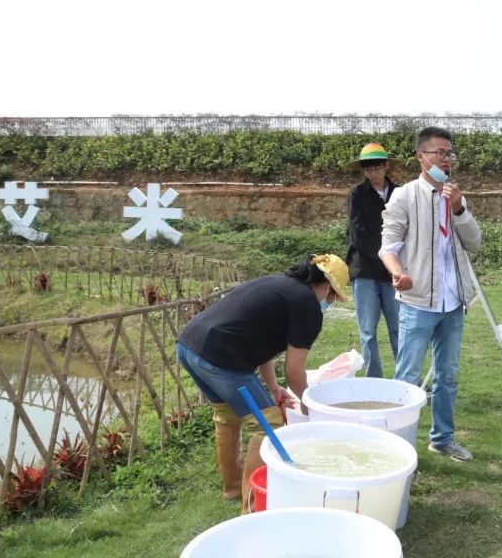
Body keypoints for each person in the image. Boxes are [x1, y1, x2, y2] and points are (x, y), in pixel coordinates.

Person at [176, 254, 350, 512]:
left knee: (226, 415)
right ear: (326, 287)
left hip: (188, 346)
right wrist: (308, 404)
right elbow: (294, 371)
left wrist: (273, 388)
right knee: (267, 424)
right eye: (334, 296)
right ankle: (253, 507)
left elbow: (263, 349)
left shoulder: (277, 285)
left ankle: (233, 489)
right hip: (221, 356)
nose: (331, 301)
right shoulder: (307, 307)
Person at [380, 126, 482, 463]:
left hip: (453, 303)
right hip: (417, 301)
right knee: (408, 378)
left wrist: (459, 210)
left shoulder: (456, 197)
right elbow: (388, 246)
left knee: (447, 376)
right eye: (439, 153)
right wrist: (398, 273)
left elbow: (475, 243)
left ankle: (442, 439)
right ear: (420, 157)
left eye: (449, 153)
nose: (446, 159)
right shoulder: (405, 196)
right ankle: (398, 448)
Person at [346, 142, 401, 378]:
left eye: (377, 166)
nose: (372, 171)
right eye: (367, 167)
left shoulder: (400, 193)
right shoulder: (356, 195)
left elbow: (407, 229)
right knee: (368, 331)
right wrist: (386, 260)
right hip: (366, 270)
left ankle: (407, 378)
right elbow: (358, 234)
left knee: (399, 328)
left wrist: (396, 265)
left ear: (386, 166)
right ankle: (374, 380)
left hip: (394, 274)